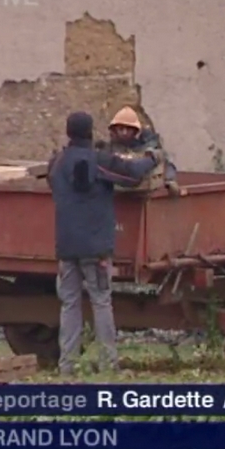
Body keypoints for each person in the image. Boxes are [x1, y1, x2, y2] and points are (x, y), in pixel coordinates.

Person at [47, 111, 161, 375]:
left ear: (68, 132)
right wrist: (152, 157)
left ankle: (67, 365)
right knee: (101, 302)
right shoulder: (99, 160)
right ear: (90, 132)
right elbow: (132, 175)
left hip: (66, 247)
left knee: (70, 304)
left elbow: (54, 186)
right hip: (96, 248)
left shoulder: (57, 162)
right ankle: (109, 364)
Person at [104, 106, 181, 196]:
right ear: (115, 130)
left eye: (128, 129)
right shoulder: (111, 147)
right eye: (121, 129)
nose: (124, 132)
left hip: (145, 189)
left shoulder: (148, 143)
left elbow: (164, 159)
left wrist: (170, 179)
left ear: (135, 130)